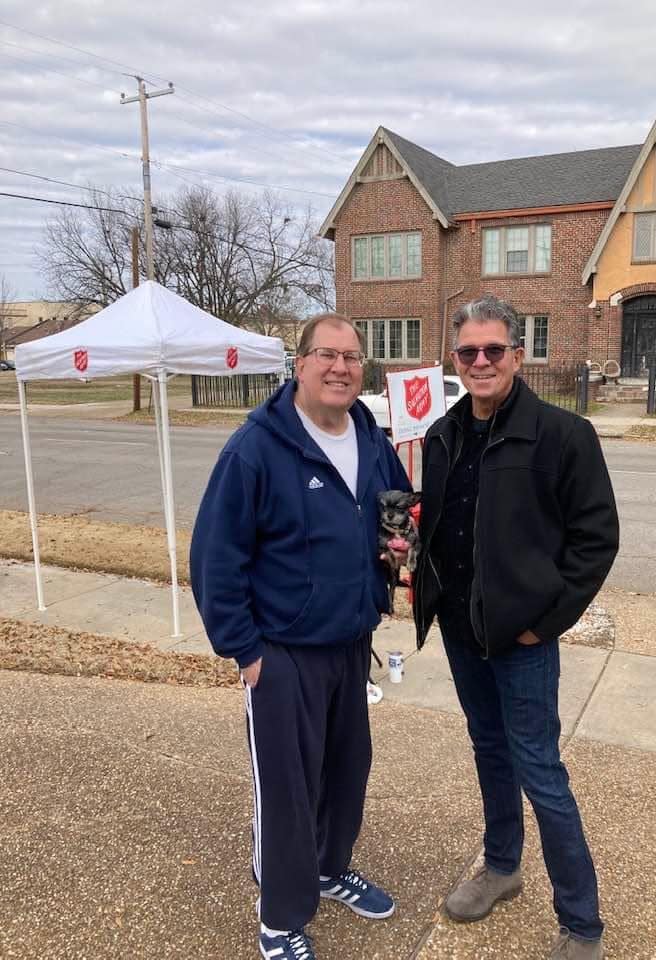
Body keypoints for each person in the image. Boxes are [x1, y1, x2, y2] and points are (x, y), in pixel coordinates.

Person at [190, 312, 410, 960]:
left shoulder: (371, 438)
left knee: (346, 773)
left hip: (349, 644)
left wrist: (399, 552)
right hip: (281, 654)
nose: (341, 367)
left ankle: (328, 869)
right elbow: (214, 558)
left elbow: (395, 511)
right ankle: (280, 918)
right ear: (300, 364)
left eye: (351, 356)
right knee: (287, 790)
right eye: (327, 355)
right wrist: (246, 653)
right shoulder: (255, 448)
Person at [412, 295, 619, 959]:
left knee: (539, 770)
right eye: (468, 351)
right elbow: (443, 527)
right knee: (489, 751)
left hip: (522, 640)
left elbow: (595, 541)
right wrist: (414, 567)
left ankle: (581, 925)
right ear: (455, 358)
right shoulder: (443, 434)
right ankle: (501, 868)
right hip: (461, 631)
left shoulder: (562, 435)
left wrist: (543, 624)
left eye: (492, 350)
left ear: (517, 354)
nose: (480, 361)